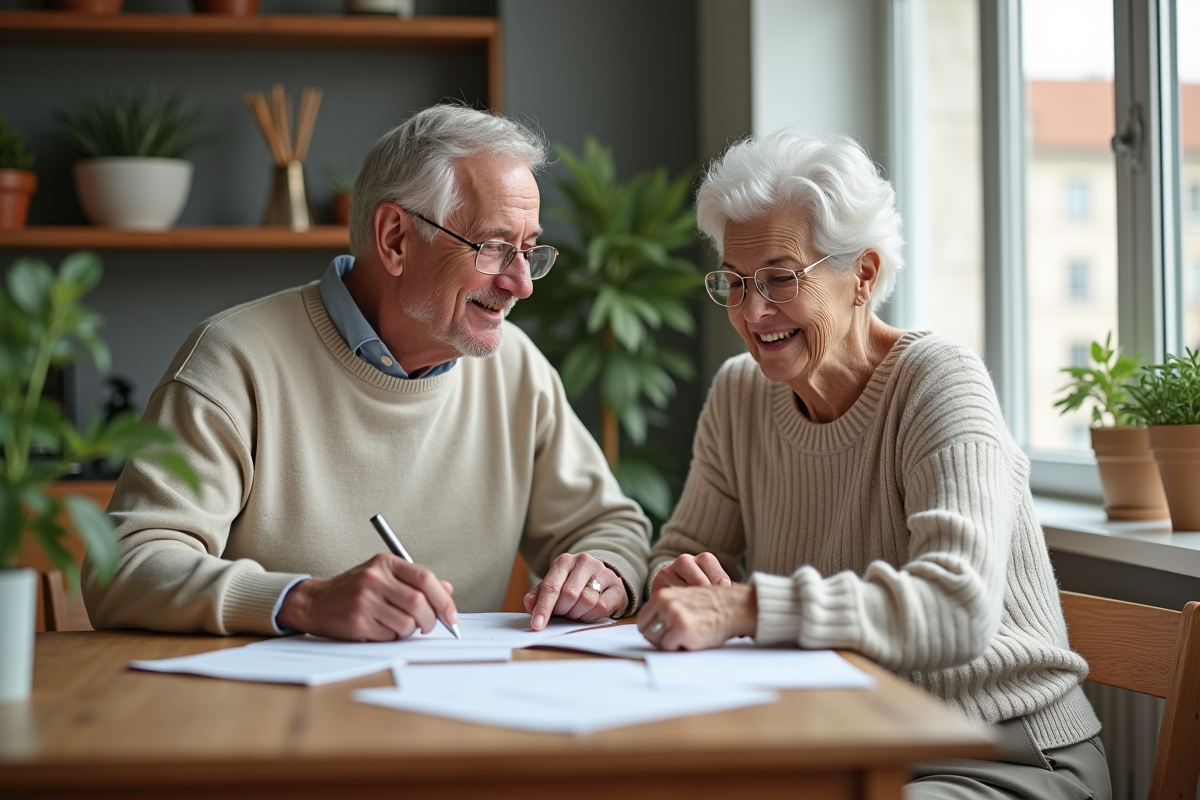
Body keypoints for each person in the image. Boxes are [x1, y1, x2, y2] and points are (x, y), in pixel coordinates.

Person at [636, 131, 1109, 800]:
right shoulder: (740, 393)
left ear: (861, 274)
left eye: (779, 277)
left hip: (999, 752)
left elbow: (957, 607)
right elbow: (683, 550)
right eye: (736, 282)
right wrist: (675, 580)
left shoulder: (938, 379)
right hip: (839, 741)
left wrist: (744, 605)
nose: (751, 311)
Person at [82, 104, 651, 641]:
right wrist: (302, 602)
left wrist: (599, 572)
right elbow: (126, 563)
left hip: (456, 712)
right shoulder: (233, 361)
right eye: (496, 248)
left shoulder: (516, 367)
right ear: (395, 239)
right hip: (272, 725)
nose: (521, 283)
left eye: (530, 251)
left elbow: (611, 526)